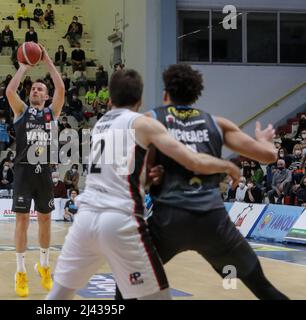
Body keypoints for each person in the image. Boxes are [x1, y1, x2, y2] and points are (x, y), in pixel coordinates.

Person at [47, 69, 241, 300]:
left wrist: (147, 177)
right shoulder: (142, 123)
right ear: (139, 101)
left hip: (85, 219)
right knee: (159, 297)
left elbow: (122, 173)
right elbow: (192, 159)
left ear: (109, 99)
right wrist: (228, 166)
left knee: (58, 297)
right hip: (119, 219)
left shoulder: (100, 124)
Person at [116, 64, 287, 300]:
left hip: (168, 222)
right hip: (213, 221)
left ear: (166, 94)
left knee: (126, 285)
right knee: (263, 287)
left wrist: (152, 177)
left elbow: (134, 175)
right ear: (196, 95)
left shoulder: (152, 119)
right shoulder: (217, 123)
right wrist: (263, 140)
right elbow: (269, 156)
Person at [6, 44, 65, 298]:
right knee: (21, 221)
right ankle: (20, 272)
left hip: (44, 174)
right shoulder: (21, 111)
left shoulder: (52, 113)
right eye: (33, 88)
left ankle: (44, 265)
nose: (35, 90)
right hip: (23, 173)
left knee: (45, 219)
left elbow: (61, 88)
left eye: (40, 88)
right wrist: (23, 67)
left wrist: (48, 61)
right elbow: (10, 90)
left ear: (46, 96)